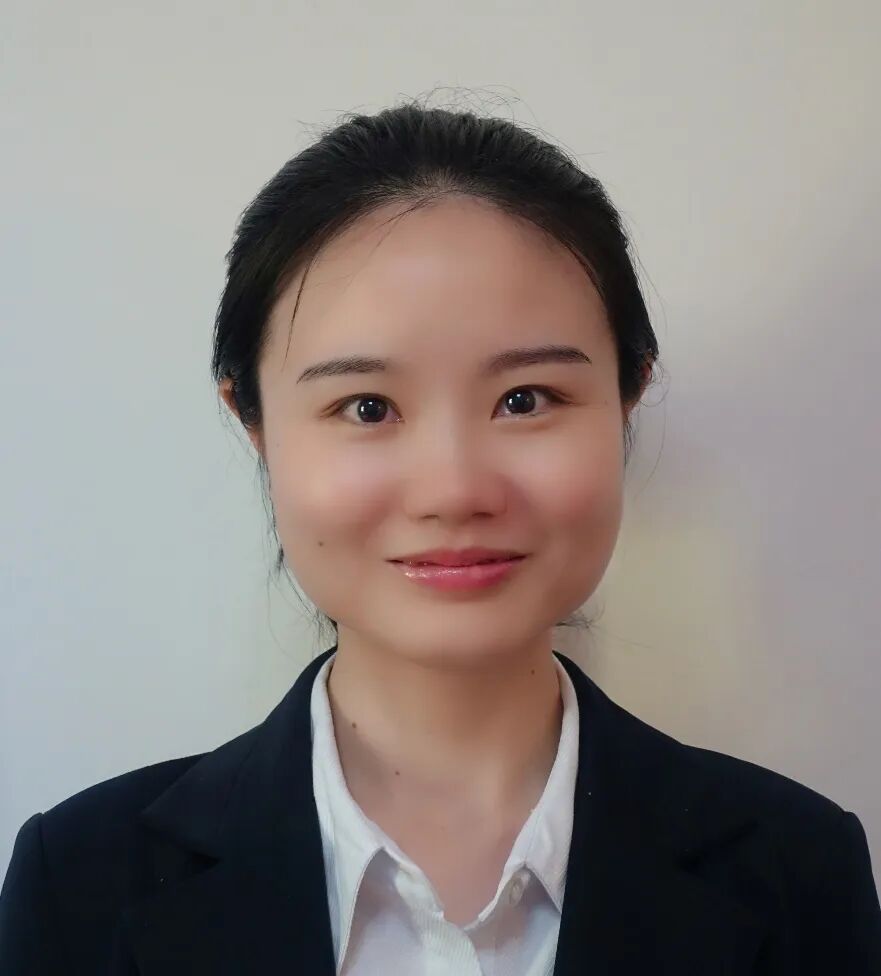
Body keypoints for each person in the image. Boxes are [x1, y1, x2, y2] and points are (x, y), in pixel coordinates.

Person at [2, 101, 879, 975]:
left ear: (626, 398)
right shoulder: (78, 884)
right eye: (367, 407)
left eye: (525, 399)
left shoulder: (801, 874)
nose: (454, 489)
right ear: (255, 424)